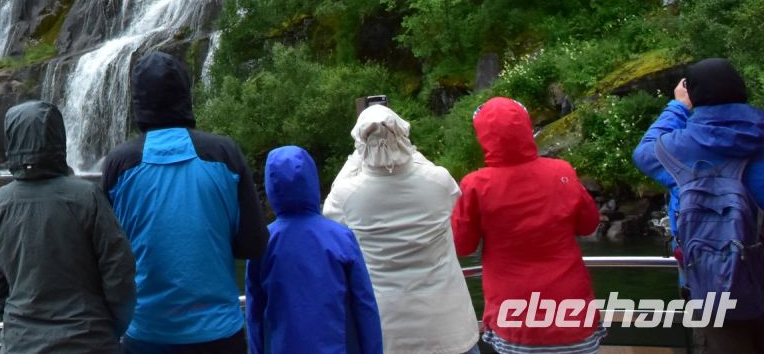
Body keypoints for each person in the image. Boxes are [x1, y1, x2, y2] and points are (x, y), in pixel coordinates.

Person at [100, 51, 268, 353]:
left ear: (138, 100)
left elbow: (105, 257)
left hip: (146, 334)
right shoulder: (224, 153)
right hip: (219, 335)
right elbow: (254, 244)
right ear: (185, 93)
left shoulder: (118, 164)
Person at [0, 100, 137, 353]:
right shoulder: (88, 197)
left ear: (12, 140)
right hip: (90, 342)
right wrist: (110, 327)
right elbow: (120, 271)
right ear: (57, 138)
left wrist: (19, 321)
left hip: (21, 344)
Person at [323, 104, 480, 354]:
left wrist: (356, 158)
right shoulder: (438, 181)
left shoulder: (347, 195)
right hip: (450, 328)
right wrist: (404, 149)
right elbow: (432, 176)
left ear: (361, 145)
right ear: (404, 136)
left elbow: (330, 218)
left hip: (389, 333)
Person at [632, 58, 764, 352]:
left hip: (709, 277)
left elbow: (643, 152)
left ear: (693, 94)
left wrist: (677, 106)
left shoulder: (678, 146)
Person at [452, 96, 602, 353]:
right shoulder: (561, 172)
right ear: (526, 128)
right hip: (571, 306)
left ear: (483, 136)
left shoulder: (475, 185)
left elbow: (462, 245)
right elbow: (589, 224)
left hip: (513, 311)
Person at [247, 144, 383, 354]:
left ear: (270, 185)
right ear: (312, 181)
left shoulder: (262, 242)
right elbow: (365, 305)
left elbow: (254, 312)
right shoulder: (341, 237)